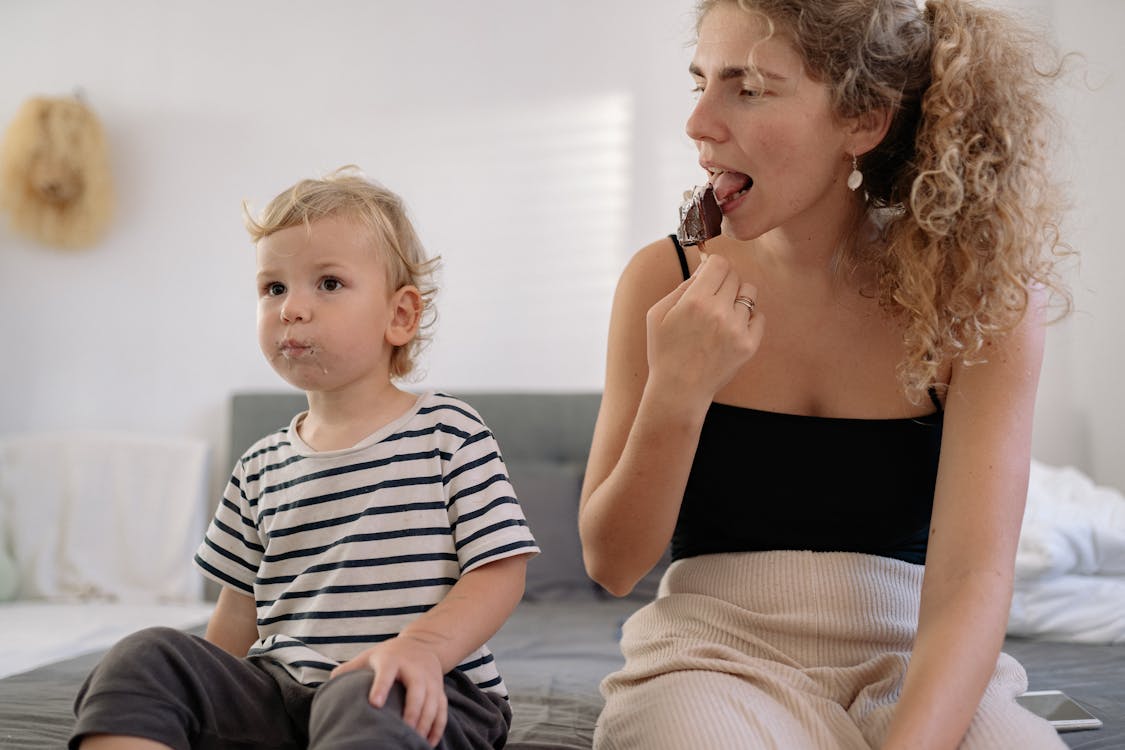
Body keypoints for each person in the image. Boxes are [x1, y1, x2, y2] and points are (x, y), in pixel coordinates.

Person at [579, 1, 1073, 748]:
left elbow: (973, 581)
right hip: (710, 661)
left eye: (747, 88)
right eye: (701, 82)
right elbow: (611, 565)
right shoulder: (662, 280)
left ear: (862, 121)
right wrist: (677, 391)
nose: (698, 124)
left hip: (914, 659)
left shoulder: (978, 299)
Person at [71, 167, 539, 750]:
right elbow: (238, 614)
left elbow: (500, 571)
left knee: (362, 692)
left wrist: (422, 647)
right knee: (146, 654)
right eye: (274, 288)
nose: (292, 308)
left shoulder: (449, 432)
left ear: (400, 315)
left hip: (422, 694)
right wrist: (207, 694)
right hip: (282, 699)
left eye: (329, 284)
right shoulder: (259, 466)